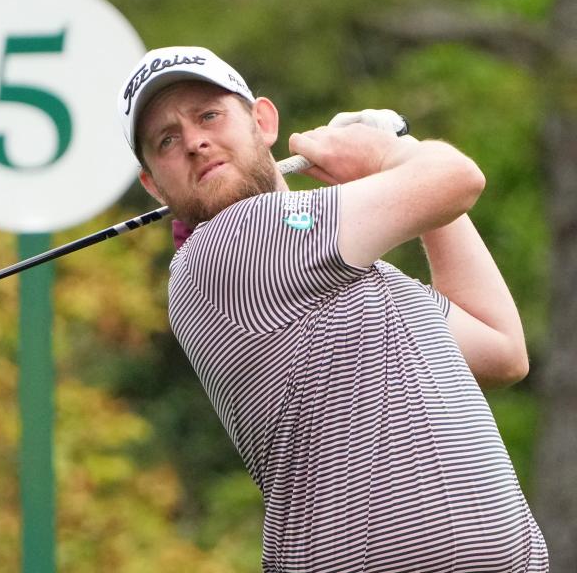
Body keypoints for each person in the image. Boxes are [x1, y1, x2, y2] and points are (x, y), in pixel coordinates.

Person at [117, 46, 548, 572]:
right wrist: (388, 155)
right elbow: (459, 179)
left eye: (208, 115)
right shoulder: (227, 247)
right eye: (166, 140)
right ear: (152, 184)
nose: (194, 141)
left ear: (262, 120)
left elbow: (501, 349)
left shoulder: (353, 275)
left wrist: (406, 178)